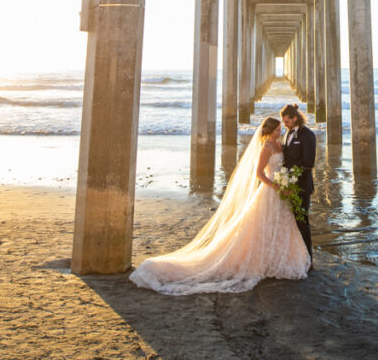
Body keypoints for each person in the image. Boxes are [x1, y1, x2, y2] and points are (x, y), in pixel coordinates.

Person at [128, 116, 310, 295]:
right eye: (278, 129)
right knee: (261, 225)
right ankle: (262, 261)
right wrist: (277, 185)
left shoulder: (280, 144)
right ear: (270, 131)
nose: (281, 131)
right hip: (270, 191)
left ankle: (274, 259)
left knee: (279, 225)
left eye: (280, 129)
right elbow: (259, 174)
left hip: (280, 192)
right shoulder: (266, 147)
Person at [279, 102, 315, 261]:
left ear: (295, 118)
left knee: (302, 221)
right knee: (289, 220)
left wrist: (294, 185)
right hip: (287, 185)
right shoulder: (287, 134)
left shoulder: (308, 135)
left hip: (301, 186)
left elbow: (308, 164)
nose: (284, 124)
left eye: (286, 121)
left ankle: (308, 258)